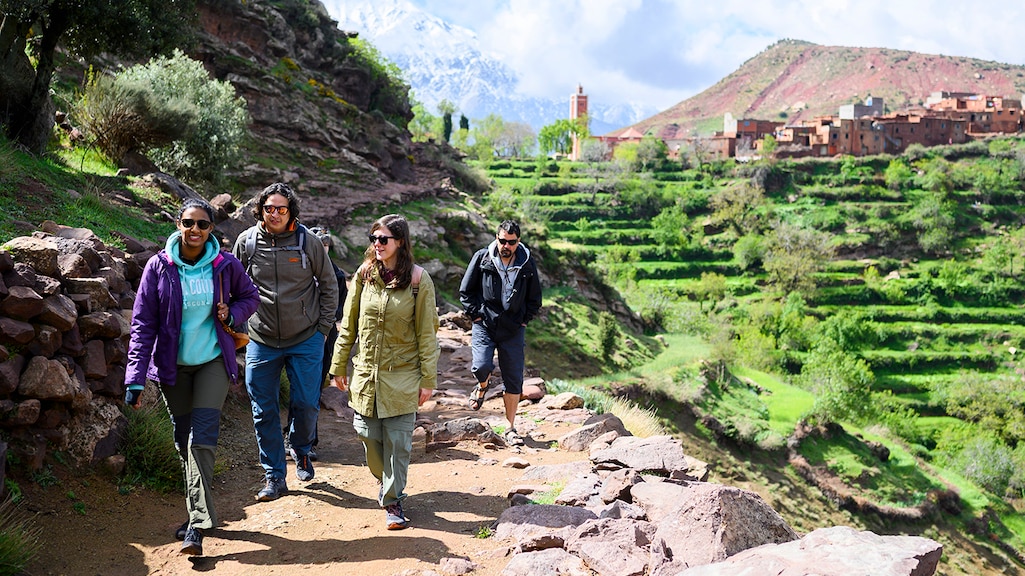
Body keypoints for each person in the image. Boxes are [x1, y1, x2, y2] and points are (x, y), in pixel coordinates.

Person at [124, 198, 260, 557]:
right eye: (188, 222)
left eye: (202, 224)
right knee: (184, 439)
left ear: (211, 229)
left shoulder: (225, 264)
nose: (195, 230)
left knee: (202, 437)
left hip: (213, 362)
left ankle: (197, 527)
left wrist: (232, 312)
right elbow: (142, 325)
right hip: (173, 368)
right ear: (178, 223)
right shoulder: (158, 267)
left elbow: (251, 296)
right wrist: (135, 378)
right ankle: (196, 513)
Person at [329, 214, 439, 530]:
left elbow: (427, 334)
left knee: (399, 443)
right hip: (366, 376)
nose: (377, 245)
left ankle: (393, 500)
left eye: (383, 239)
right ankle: (384, 479)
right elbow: (348, 324)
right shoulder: (364, 276)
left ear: (400, 242)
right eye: (373, 239)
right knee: (366, 433)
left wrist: (428, 378)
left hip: (403, 375)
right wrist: (338, 364)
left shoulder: (419, 281)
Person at [233, 183, 338, 501]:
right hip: (261, 339)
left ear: (291, 211)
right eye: (269, 208)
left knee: (306, 403)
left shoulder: (308, 242)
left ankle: (302, 448)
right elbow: (234, 285)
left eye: (281, 208)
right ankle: (274, 476)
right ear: (259, 210)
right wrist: (238, 329)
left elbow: (329, 285)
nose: (275, 214)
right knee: (262, 410)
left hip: (306, 337)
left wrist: (322, 330)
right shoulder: (247, 242)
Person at [458, 220, 542, 446]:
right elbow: (466, 291)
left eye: (511, 242)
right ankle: (483, 385)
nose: (506, 245)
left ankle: (510, 427)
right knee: (481, 366)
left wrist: (523, 321)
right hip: (484, 324)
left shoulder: (527, 263)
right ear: (496, 238)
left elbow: (535, 298)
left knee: (514, 379)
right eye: (502, 240)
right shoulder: (482, 257)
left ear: (518, 242)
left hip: (513, 329)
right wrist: (476, 316)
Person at [283, 226, 347, 461]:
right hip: (293, 334)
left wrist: (320, 322)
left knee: (312, 390)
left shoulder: (337, 275)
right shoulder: (298, 269)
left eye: (326, 245)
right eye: (319, 243)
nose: (323, 248)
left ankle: (308, 440)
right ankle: (291, 437)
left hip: (323, 337)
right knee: (296, 387)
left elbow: (340, 310)